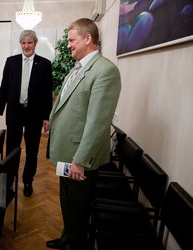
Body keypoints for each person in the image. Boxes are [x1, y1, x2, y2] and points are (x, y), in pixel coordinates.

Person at [46, 18, 121, 250]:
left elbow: (98, 122)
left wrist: (80, 160)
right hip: (67, 152)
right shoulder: (77, 68)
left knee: (79, 208)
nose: (68, 45)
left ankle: (75, 243)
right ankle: (67, 236)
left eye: (71, 40)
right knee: (68, 204)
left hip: (80, 158)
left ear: (88, 38)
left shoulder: (105, 71)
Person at [0, 30, 52, 197]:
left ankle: (27, 180)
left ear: (35, 44)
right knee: (12, 149)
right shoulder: (11, 62)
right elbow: (4, 88)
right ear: (20, 44)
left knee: (32, 150)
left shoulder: (45, 64)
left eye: (30, 43)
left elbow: (47, 93)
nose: (26, 46)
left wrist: (46, 117)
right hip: (14, 113)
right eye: (23, 43)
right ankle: (9, 180)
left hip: (34, 115)